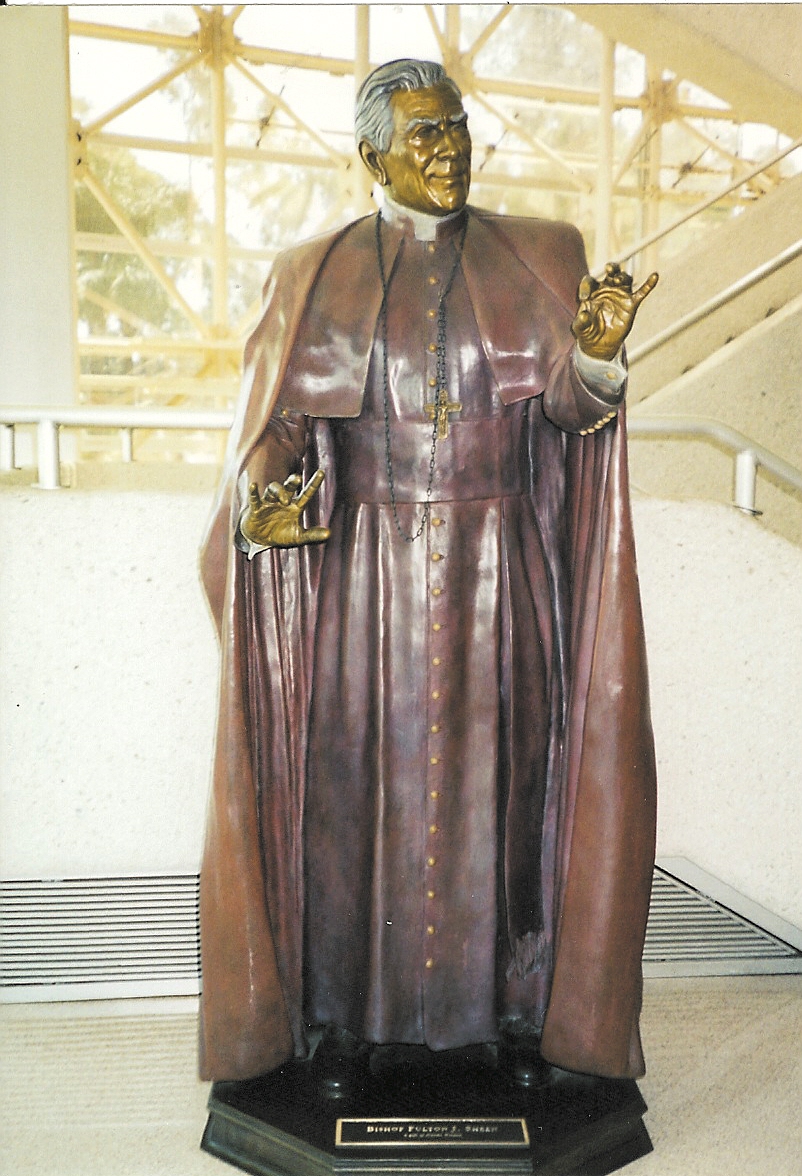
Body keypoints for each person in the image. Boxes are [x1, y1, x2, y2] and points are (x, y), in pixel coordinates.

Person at [198, 59, 657, 1087]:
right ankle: (346, 1029)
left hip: (508, 573)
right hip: (367, 582)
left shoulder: (541, 255)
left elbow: (569, 419)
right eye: (421, 137)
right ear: (370, 154)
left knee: (516, 799)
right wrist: (261, 503)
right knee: (357, 807)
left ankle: (513, 1017)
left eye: (455, 129)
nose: (447, 151)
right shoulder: (313, 273)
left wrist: (595, 361)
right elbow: (276, 429)